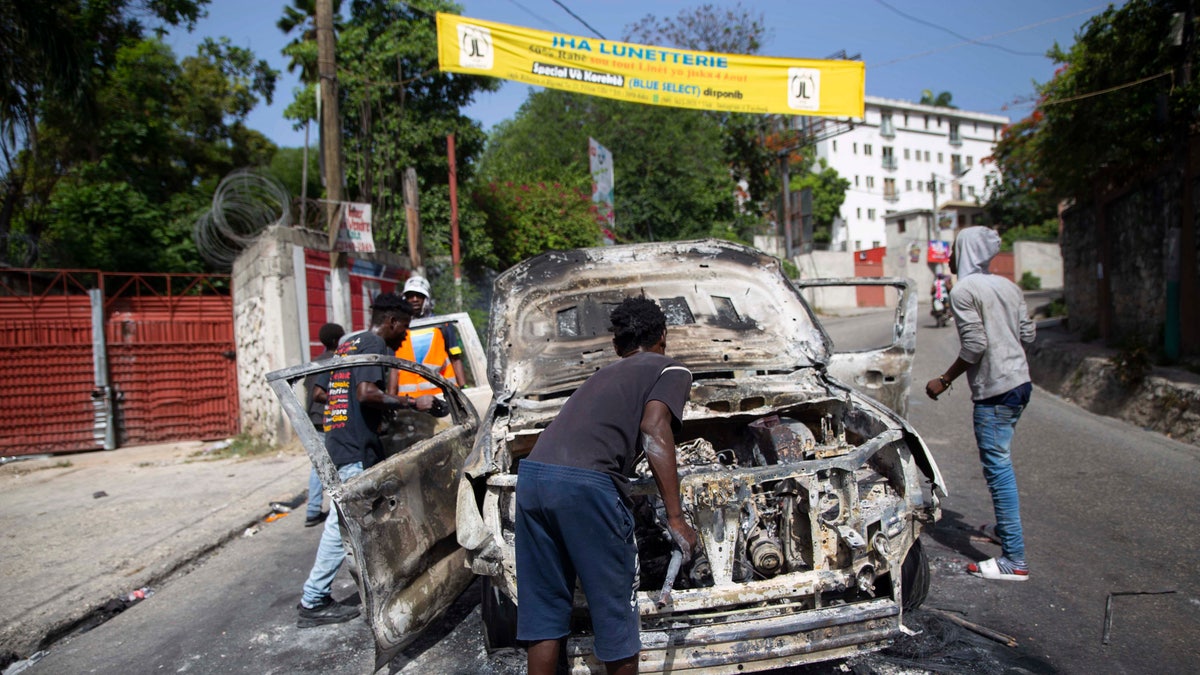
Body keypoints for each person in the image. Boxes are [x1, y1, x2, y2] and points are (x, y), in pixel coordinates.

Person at [515, 296, 699, 675]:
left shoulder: (600, 376)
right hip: (586, 486)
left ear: (618, 346)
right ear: (663, 335)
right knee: (615, 612)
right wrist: (676, 517)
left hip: (533, 480)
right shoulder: (670, 368)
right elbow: (653, 428)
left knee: (545, 613)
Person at [297, 293, 438, 628]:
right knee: (341, 524)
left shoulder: (349, 342)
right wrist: (412, 403)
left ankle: (376, 585)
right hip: (355, 447)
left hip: (340, 438)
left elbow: (344, 394)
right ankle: (313, 600)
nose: (405, 334)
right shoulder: (373, 341)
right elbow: (366, 394)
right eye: (404, 326)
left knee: (357, 521)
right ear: (391, 321)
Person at [925, 226, 1036, 582]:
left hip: (995, 393)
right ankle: (1006, 532)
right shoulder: (1008, 286)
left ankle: (1014, 560)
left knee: (998, 470)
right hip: (1020, 384)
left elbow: (974, 347)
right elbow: (1028, 335)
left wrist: (943, 380)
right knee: (1001, 463)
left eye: (955, 249)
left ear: (967, 251)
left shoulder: (964, 290)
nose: (951, 257)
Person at [390, 275, 467, 398]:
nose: (414, 299)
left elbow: (455, 359)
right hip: (410, 402)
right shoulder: (399, 328)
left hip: (444, 398)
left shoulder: (443, 324)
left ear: (426, 298)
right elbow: (394, 368)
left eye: (419, 295)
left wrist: (464, 390)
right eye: (410, 296)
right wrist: (391, 400)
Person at [302, 322, 345, 527]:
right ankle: (342, 508)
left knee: (318, 466)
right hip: (330, 419)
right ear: (338, 340)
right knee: (342, 464)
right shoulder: (337, 362)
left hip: (314, 420)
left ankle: (312, 510)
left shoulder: (314, 363)